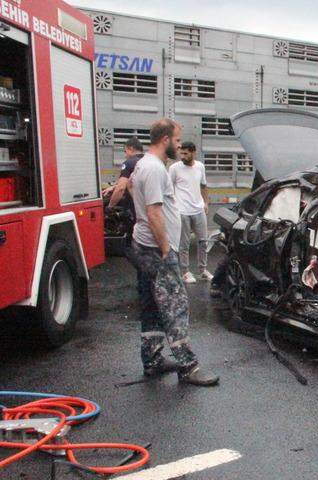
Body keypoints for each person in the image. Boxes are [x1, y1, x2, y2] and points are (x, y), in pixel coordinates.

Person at [128, 118, 219, 385]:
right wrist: (167, 250)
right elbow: (155, 212)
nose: (179, 146)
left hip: (143, 246)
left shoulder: (142, 164)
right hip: (157, 250)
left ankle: (153, 359)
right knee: (176, 305)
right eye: (177, 141)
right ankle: (188, 366)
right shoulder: (156, 169)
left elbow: (133, 189)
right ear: (165, 140)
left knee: (151, 305)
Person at [106, 137, 146, 295]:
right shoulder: (148, 162)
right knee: (144, 248)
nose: (125, 154)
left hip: (134, 213)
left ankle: (146, 276)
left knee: (130, 249)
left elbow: (122, 187)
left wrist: (110, 207)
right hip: (146, 211)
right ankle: (143, 283)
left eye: (125, 151)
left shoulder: (129, 163)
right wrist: (114, 187)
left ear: (130, 149)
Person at [169, 141, 212, 284]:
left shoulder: (200, 167)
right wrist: (173, 207)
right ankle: (185, 272)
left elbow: (204, 186)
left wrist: (205, 202)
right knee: (184, 244)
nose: (182, 156)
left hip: (198, 209)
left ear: (193, 152)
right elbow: (168, 188)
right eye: (181, 153)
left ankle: (202, 270)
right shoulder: (174, 168)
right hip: (182, 211)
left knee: (203, 241)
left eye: (186, 153)